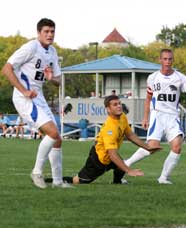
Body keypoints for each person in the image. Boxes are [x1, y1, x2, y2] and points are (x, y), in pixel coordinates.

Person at [1, 18, 71, 189]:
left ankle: (57, 181)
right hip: (24, 98)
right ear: (38, 33)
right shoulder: (31, 47)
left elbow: (58, 81)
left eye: (52, 31)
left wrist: (51, 78)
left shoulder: (53, 52)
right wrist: (24, 90)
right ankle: (37, 172)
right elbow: (6, 69)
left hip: (38, 97)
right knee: (53, 133)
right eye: (46, 31)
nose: (50, 34)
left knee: (57, 139)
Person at [46, 95, 161, 185]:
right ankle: (52, 180)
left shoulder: (122, 117)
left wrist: (148, 147)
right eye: (115, 104)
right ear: (108, 109)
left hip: (111, 156)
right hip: (98, 160)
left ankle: (117, 182)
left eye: (119, 103)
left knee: (120, 166)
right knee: (79, 181)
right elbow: (112, 154)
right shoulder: (109, 128)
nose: (119, 106)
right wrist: (129, 170)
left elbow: (130, 135)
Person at [124, 48, 186, 184]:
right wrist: (145, 117)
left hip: (173, 117)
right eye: (165, 59)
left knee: (177, 146)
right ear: (160, 60)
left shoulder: (180, 77)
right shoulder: (153, 77)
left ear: (173, 60)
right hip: (157, 115)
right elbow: (148, 99)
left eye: (170, 59)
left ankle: (164, 177)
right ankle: (125, 164)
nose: (167, 62)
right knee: (151, 148)